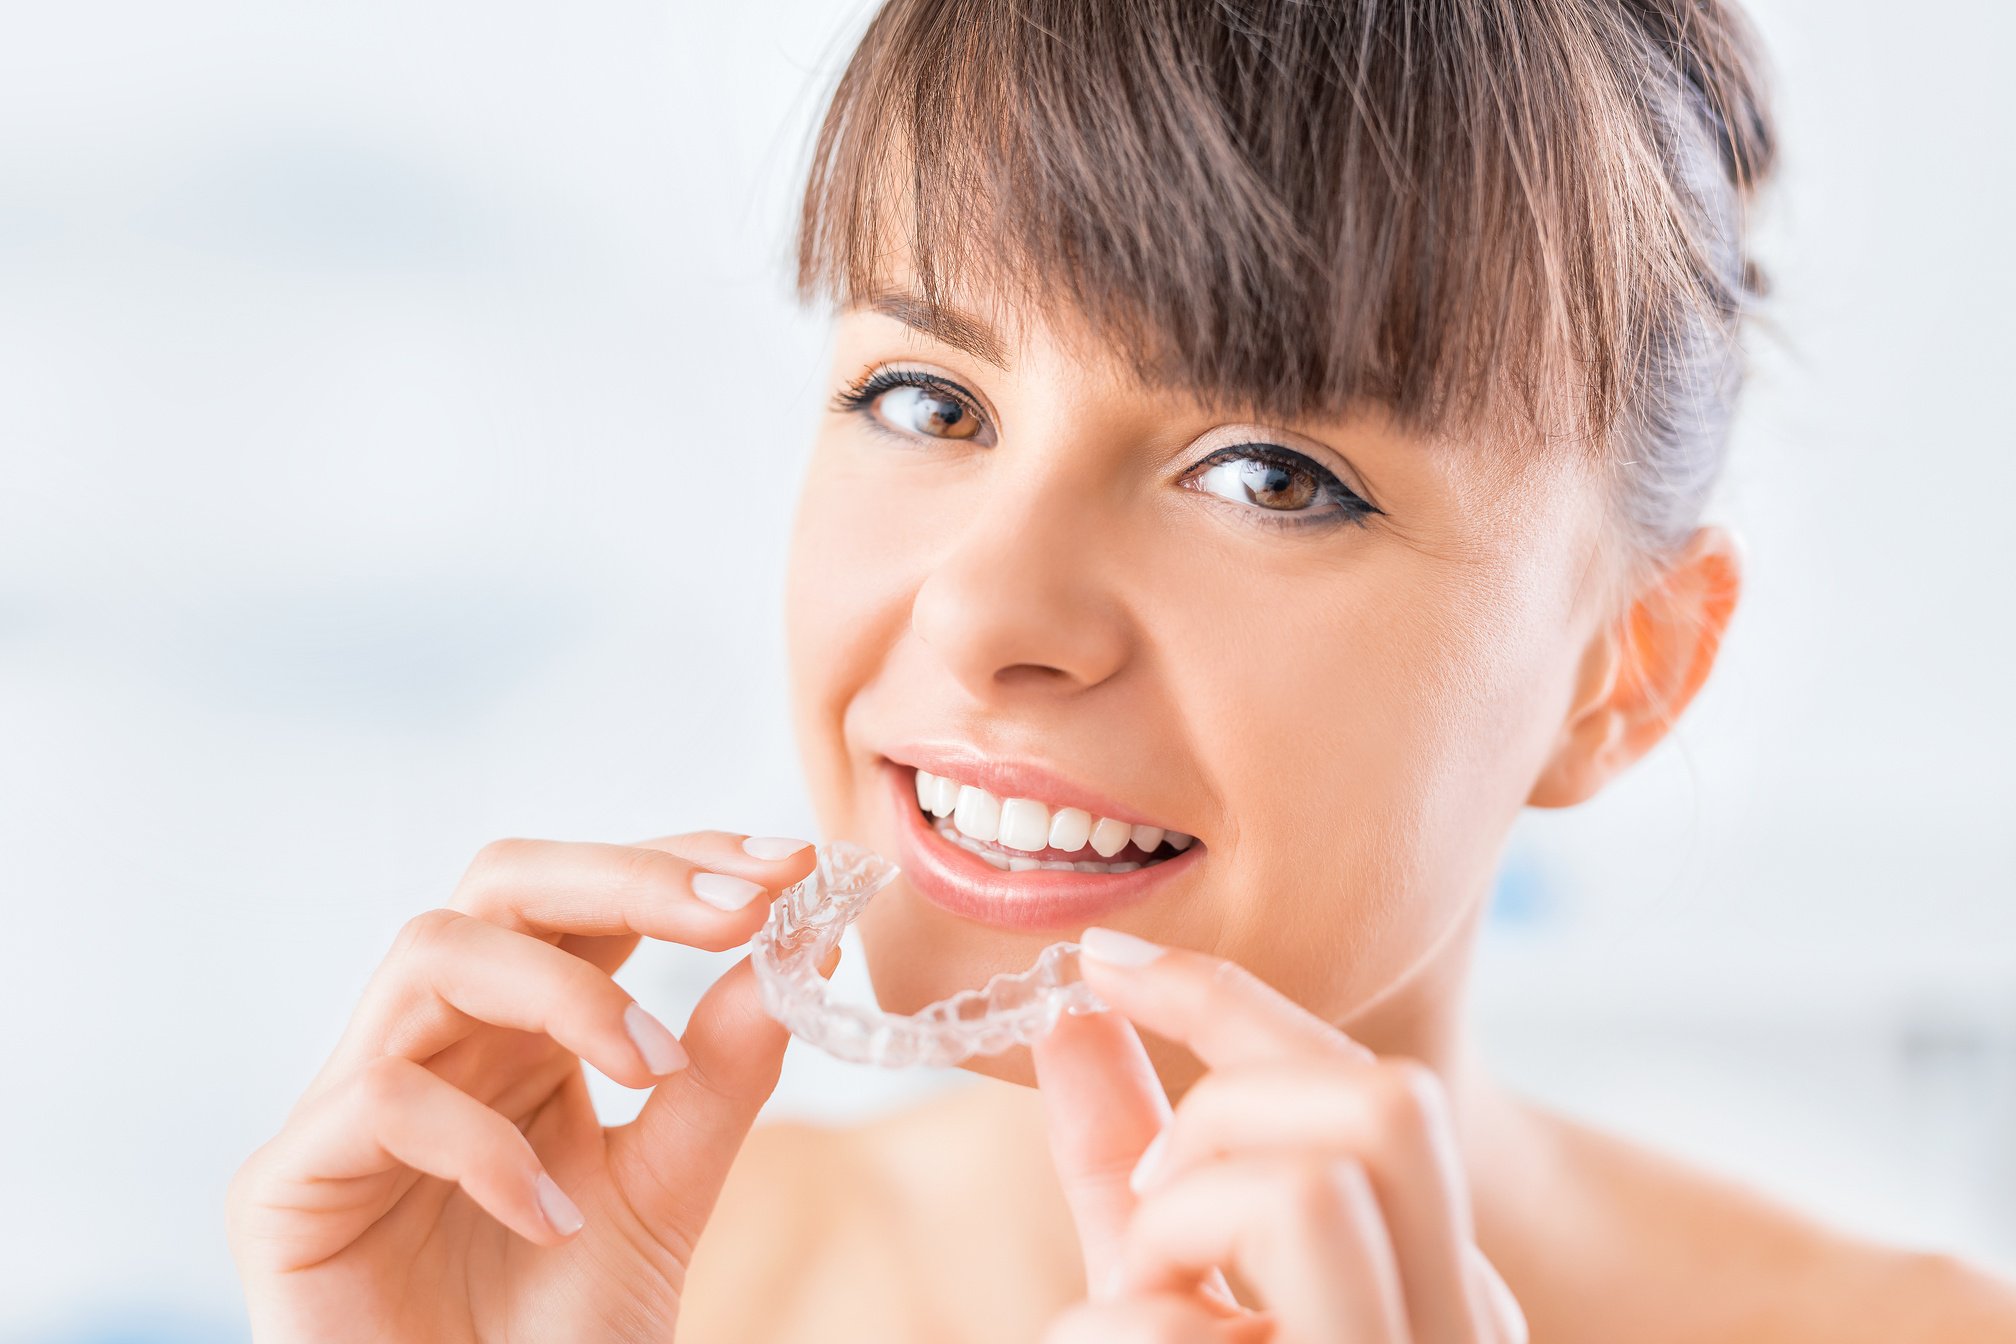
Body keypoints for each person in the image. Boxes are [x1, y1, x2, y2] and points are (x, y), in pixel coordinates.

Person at [227, 1, 2016, 1339]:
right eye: (927, 401)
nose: (984, 613)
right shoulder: (589, 1286)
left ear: (1623, 671)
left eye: (1270, 475)